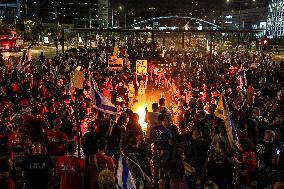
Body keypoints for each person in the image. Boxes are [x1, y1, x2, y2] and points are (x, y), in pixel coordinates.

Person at [150, 114, 173, 188]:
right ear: (163, 120)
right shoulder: (167, 130)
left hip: (156, 151)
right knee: (164, 168)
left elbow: (151, 140)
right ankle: (164, 185)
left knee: (156, 168)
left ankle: (156, 185)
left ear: (158, 120)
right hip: (165, 151)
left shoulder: (153, 129)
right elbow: (170, 142)